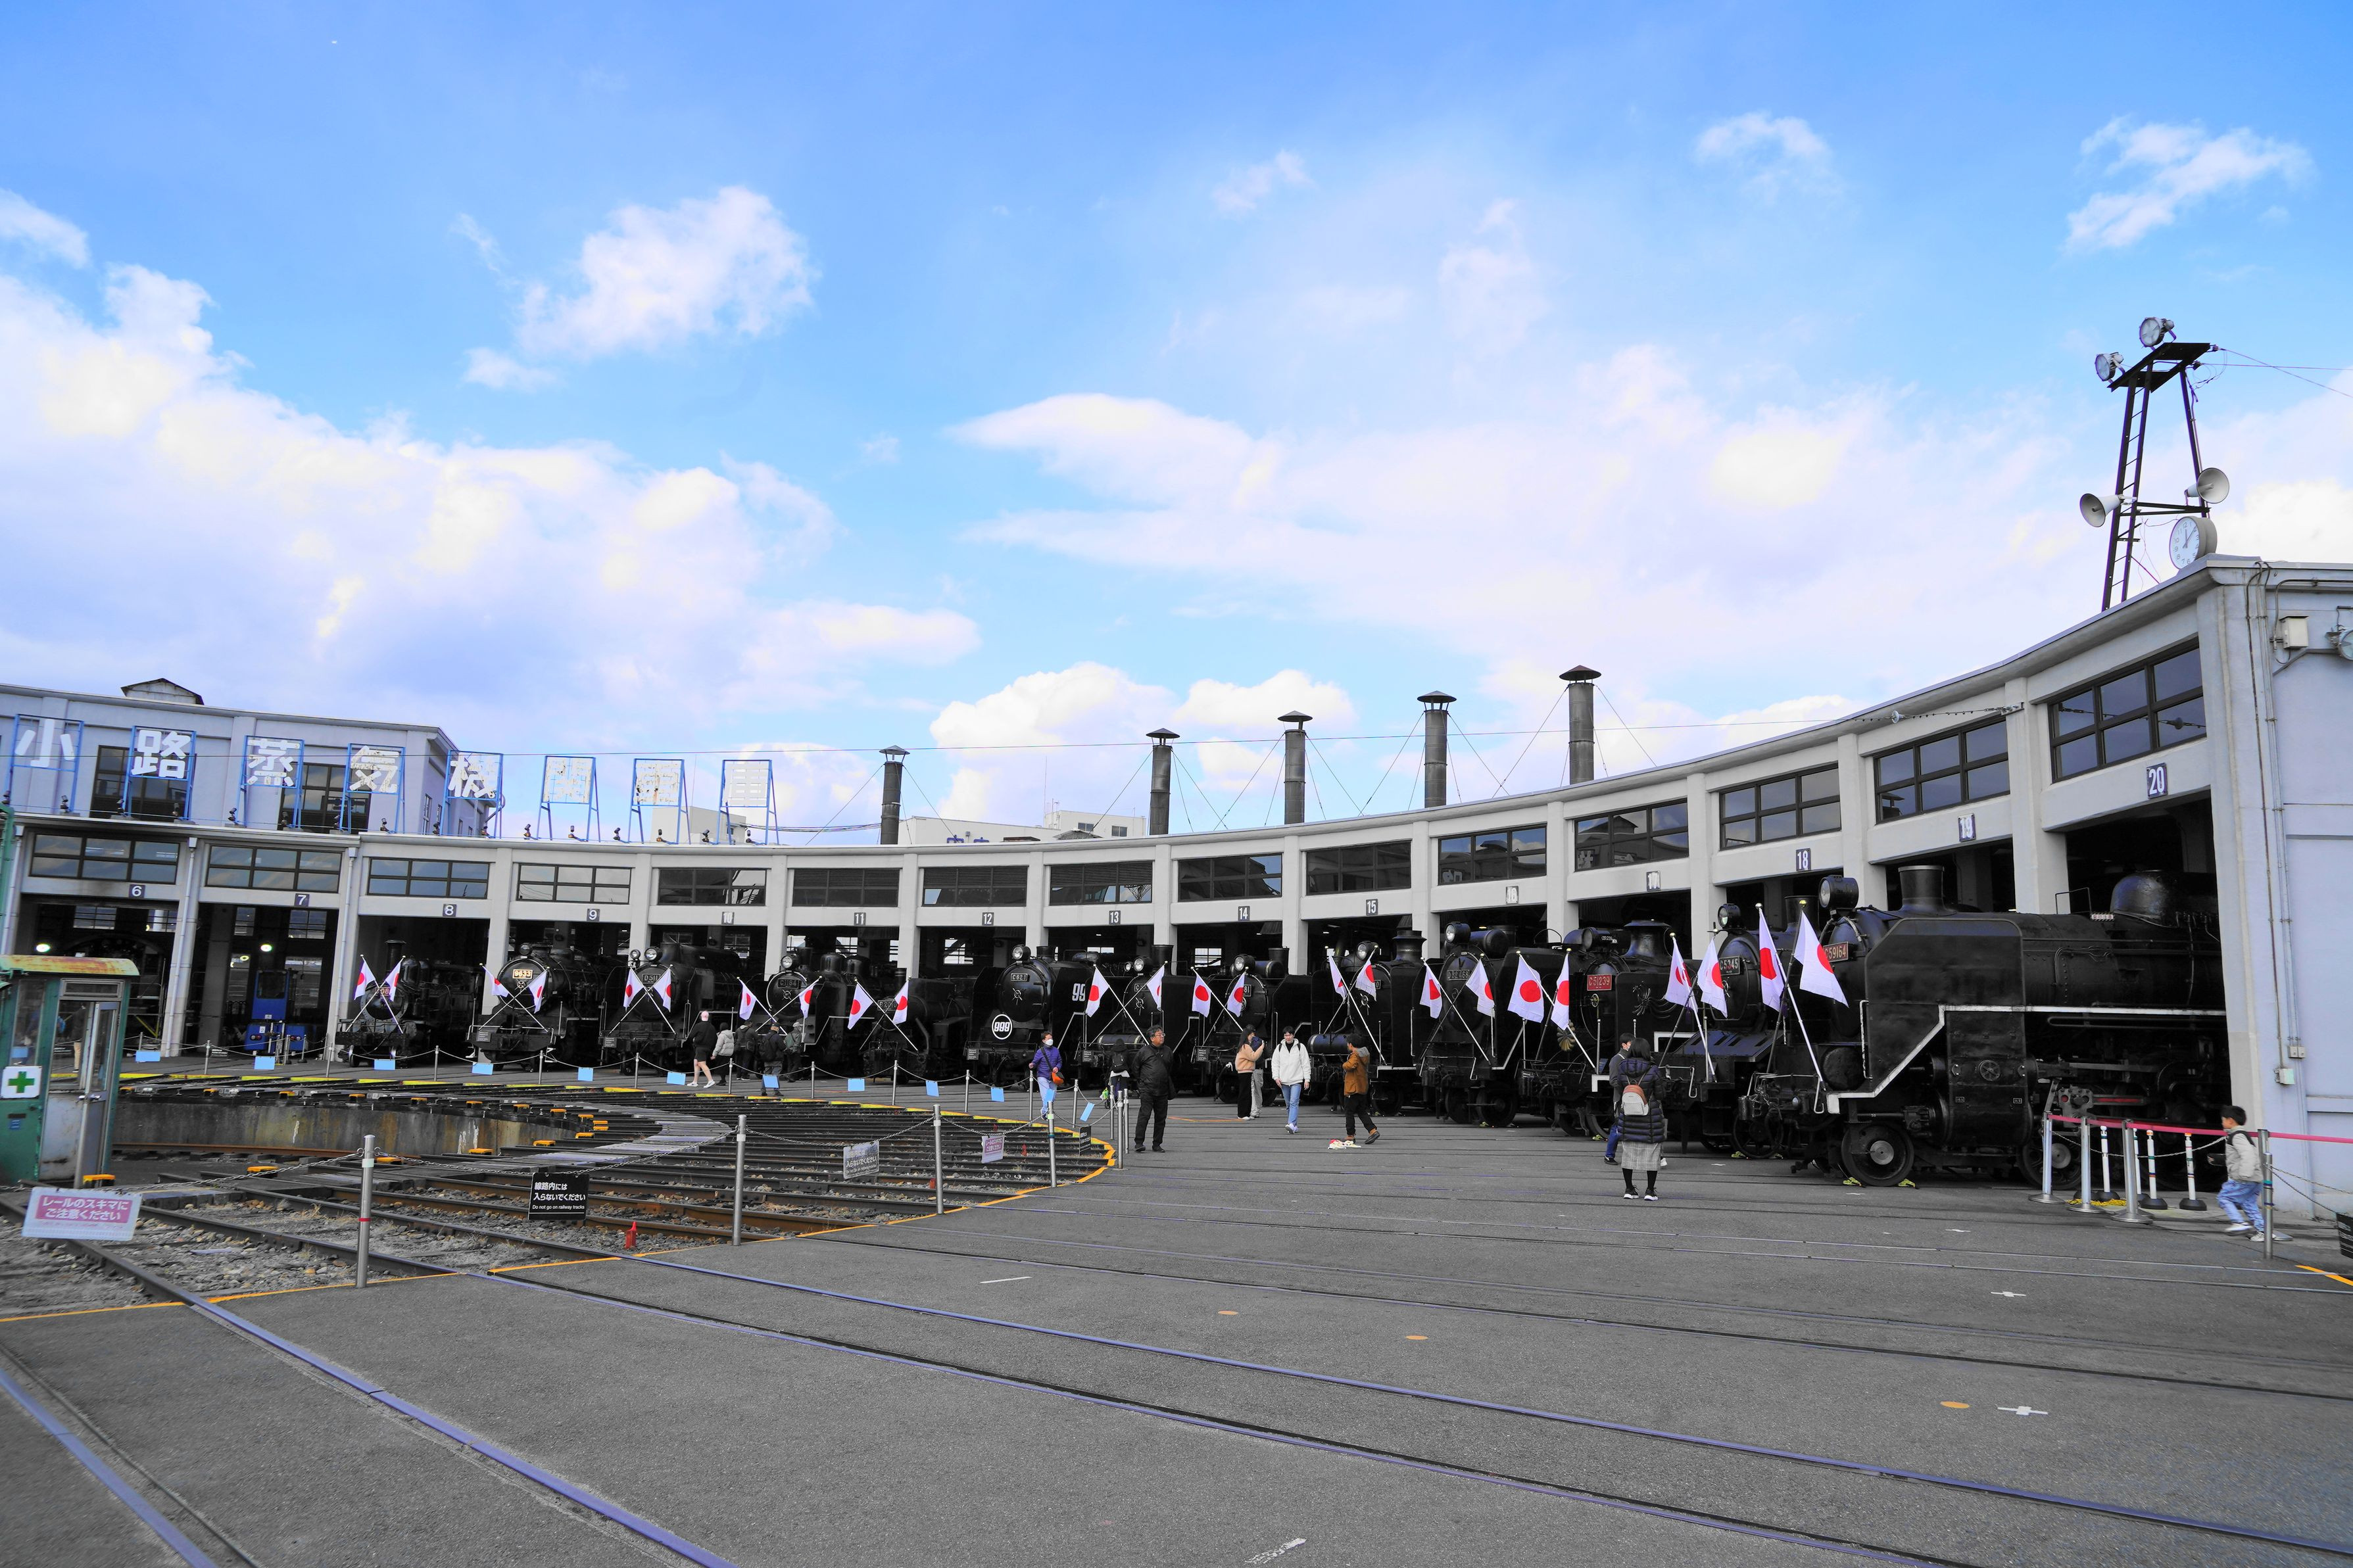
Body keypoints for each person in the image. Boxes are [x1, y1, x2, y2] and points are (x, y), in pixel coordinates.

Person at [2217, 1106, 2274, 1239]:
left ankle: (2238, 1222)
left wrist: (2244, 1174)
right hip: (2255, 1179)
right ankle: (2263, 1232)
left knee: (2224, 1198)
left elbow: (2248, 1154)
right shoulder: (2241, 1135)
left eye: (2223, 1120)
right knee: (2249, 1204)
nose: (2222, 1123)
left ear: (2230, 1121)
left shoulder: (2237, 1136)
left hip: (2244, 1178)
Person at [1617, 1060, 1666, 1200]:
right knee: (1652, 1154)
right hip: (1649, 1117)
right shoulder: (1653, 1069)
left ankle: (1629, 1189)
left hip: (1628, 1116)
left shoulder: (1622, 1068)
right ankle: (1650, 1191)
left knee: (1628, 1154)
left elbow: (1621, 1090)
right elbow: (1660, 1094)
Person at [1132, 1028, 1175, 1152]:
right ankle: (1139, 1143)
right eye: (1159, 1035)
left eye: (1163, 1034)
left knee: (1161, 1118)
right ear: (1152, 1038)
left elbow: (1170, 1067)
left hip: (1163, 1090)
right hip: (1147, 1090)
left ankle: (1157, 1144)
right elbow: (1135, 1068)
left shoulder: (1168, 1051)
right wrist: (1143, 1082)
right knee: (1144, 1116)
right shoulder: (1144, 1051)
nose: (1162, 1037)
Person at [1603, 1037, 1638, 1163]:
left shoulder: (1630, 1058)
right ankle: (1609, 1155)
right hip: (1622, 1099)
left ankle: (1611, 1155)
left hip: (1631, 1097)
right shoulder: (1617, 1059)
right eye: (1631, 1044)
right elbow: (1613, 1081)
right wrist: (1628, 1088)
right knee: (1618, 1126)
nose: (1633, 1046)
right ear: (1624, 1045)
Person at [1271, 1030, 1311, 1133]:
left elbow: (1306, 1064)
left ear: (1294, 1035)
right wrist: (1276, 1077)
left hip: (1297, 1080)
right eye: (1286, 1035)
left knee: (1294, 1102)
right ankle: (1294, 1126)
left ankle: (1291, 1124)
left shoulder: (1301, 1047)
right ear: (1284, 1036)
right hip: (1284, 1081)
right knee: (1288, 1104)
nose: (1288, 1037)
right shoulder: (1279, 1048)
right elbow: (1275, 1064)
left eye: (1290, 1035)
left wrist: (1307, 1079)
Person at [1340, 1038, 1379, 1144]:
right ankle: (1373, 1131)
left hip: (1353, 1089)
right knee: (1361, 1111)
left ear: (1351, 1044)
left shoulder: (1355, 1055)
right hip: (1362, 1088)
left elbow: (1351, 1065)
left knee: (1349, 1112)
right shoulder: (1364, 1055)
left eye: (1348, 1044)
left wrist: (1344, 1064)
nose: (1347, 1046)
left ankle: (1350, 1136)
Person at [1234, 1031, 1267, 1118]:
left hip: (1245, 1071)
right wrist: (1261, 1047)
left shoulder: (1243, 1046)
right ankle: (1242, 1114)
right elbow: (1254, 1057)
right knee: (1245, 1093)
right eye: (1250, 1035)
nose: (1252, 1037)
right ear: (1246, 1036)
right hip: (1245, 1071)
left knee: (1247, 1093)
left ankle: (1246, 1114)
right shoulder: (1246, 1047)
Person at [1031, 1033, 1063, 1119]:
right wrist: (1032, 1065)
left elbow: (1060, 1061)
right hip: (1042, 1076)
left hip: (1053, 1077)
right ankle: (1048, 1115)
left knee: (1052, 1098)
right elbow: (1035, 1062)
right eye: (1048, 1038)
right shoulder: (1040, 1051)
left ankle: (1044, 1111)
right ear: (1044, 1041)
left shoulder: (1056, 1050)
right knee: (1047, 1097)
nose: (1051, 1040)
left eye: (1051, 1038)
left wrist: (1057, 1067)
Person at [686, 1011, 719, 1087]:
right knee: (696, 1063)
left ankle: (710, 1080)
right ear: (708, 1017)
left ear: (701, 1017)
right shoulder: (712, 1027)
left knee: (702, 1064)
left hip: (700, 1048)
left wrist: (693, 1041)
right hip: (708, 1048)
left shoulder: (698, 1026)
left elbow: (691, 1036)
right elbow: (715, 1039)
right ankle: (695, 1082)